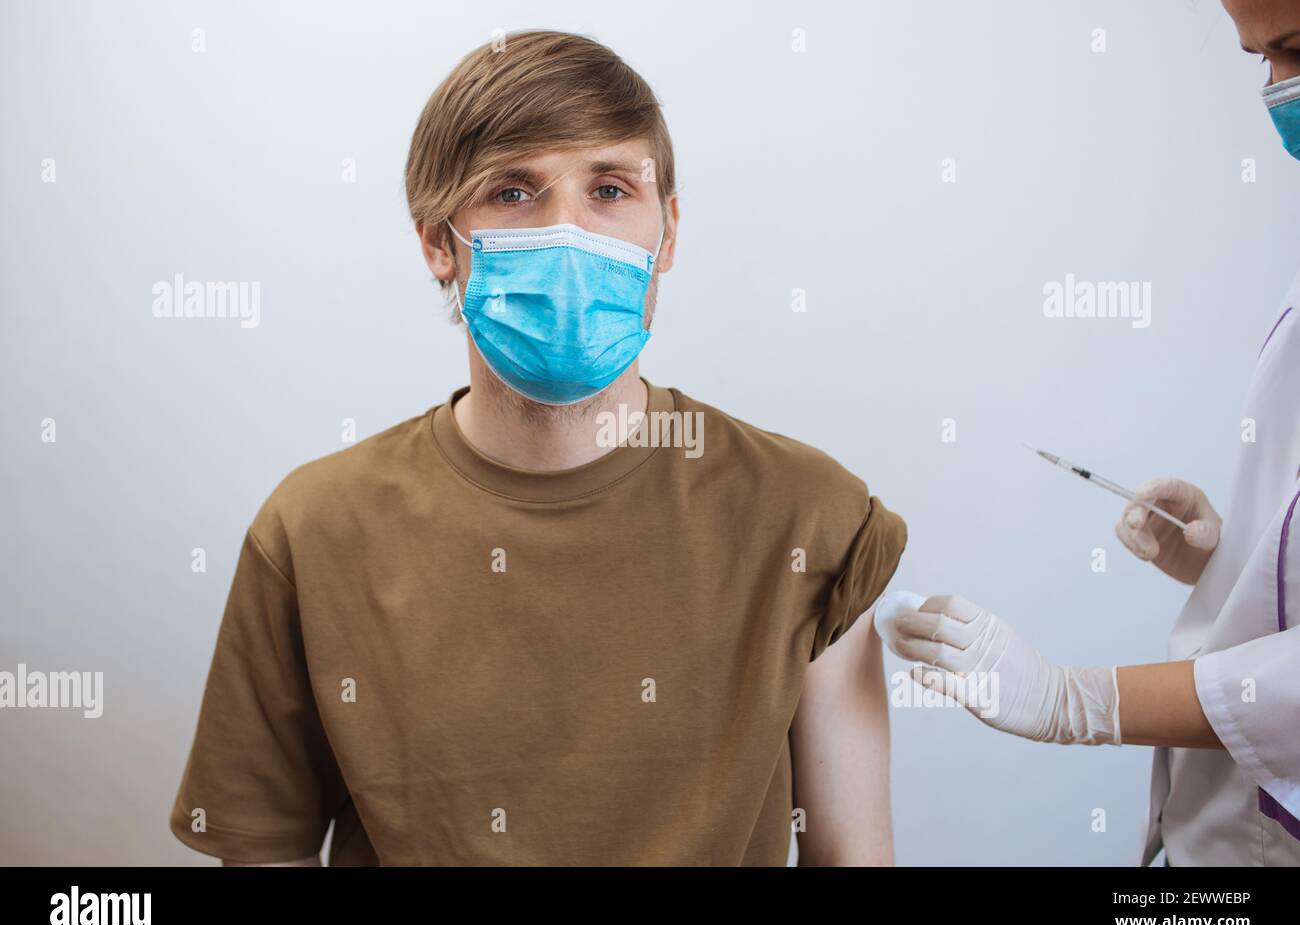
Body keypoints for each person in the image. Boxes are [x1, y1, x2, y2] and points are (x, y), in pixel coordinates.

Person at [168, 30, 907, 866]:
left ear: (666, 233)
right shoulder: (312, 530)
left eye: (610, 188)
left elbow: (850, 855)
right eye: (514, 192)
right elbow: (266, 855)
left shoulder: (809, 515)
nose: (569, 235)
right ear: (439, 243)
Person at [878, 0, 1300, 866]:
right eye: (1260, 60)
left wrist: (1076, 700)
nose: (1276, 93)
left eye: (1293, 48)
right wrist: (1227, 560)